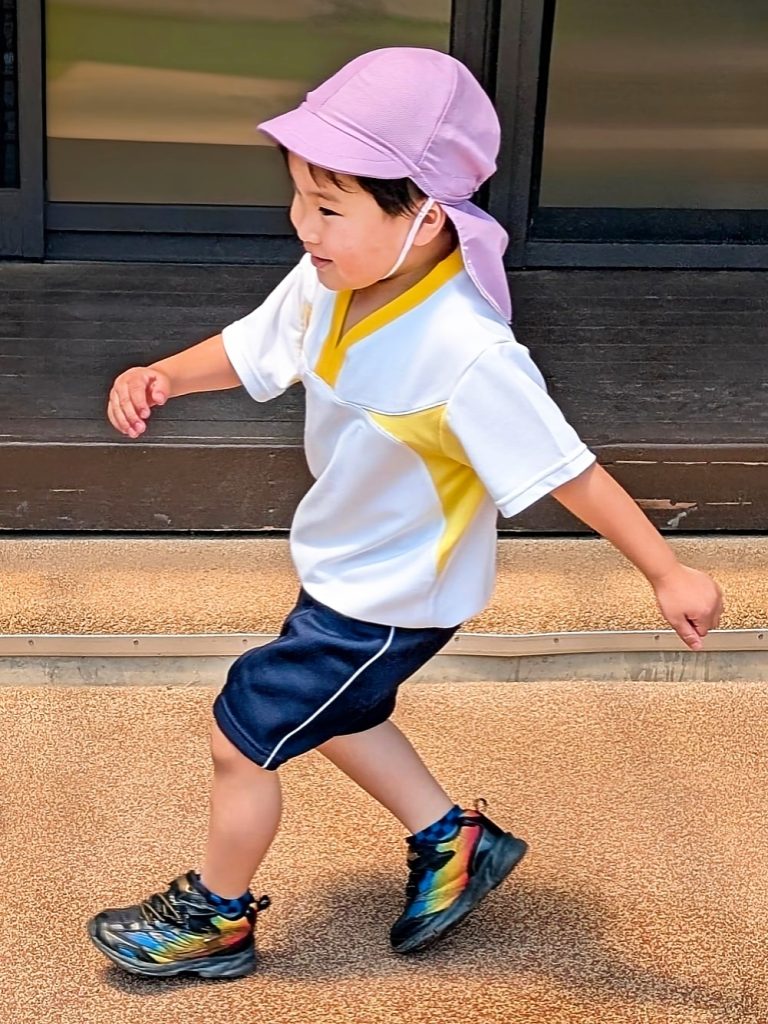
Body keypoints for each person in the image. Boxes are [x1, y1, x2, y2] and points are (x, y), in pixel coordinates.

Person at [87, 48, 723, 980]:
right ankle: (452, 841)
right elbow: (254, 348)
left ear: (425, 217)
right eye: (300, 195)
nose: (303, 224)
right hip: (347, 567)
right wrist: (165, 377)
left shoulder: (466, 350)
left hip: (392, 598)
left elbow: (569, 470)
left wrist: (667, 571)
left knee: (242, 735)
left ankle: (215, 918)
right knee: (342, 712)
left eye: (329, 206)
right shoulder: (331, 279)